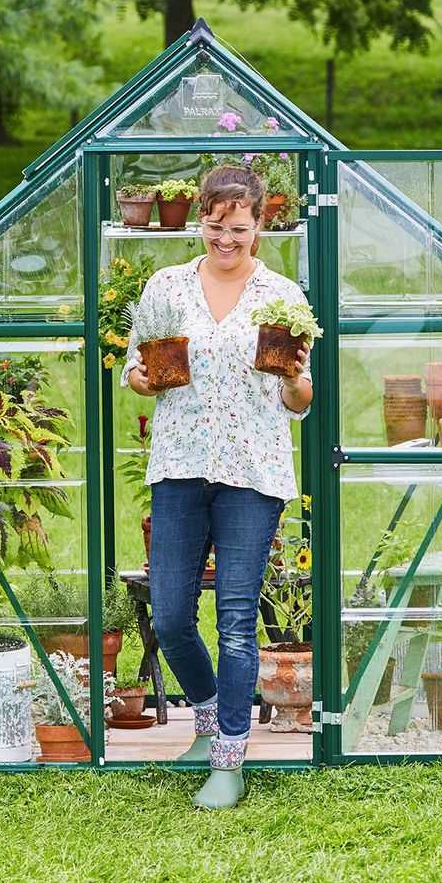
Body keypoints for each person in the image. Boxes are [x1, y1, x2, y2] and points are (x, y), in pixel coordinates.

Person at [121, 164, 314, 811]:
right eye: (213, 226)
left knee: (234, 619)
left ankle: (229, 759)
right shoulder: (167, 287)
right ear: (199, 218)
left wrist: (293, 379)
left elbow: (300, 400)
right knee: (172, 615)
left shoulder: (281, 297)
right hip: (179, 467)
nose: (225, 239)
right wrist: (143, 382)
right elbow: (137, 370)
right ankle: (207, 722)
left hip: (252, 475)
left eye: (238, 227)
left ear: (260, 225)